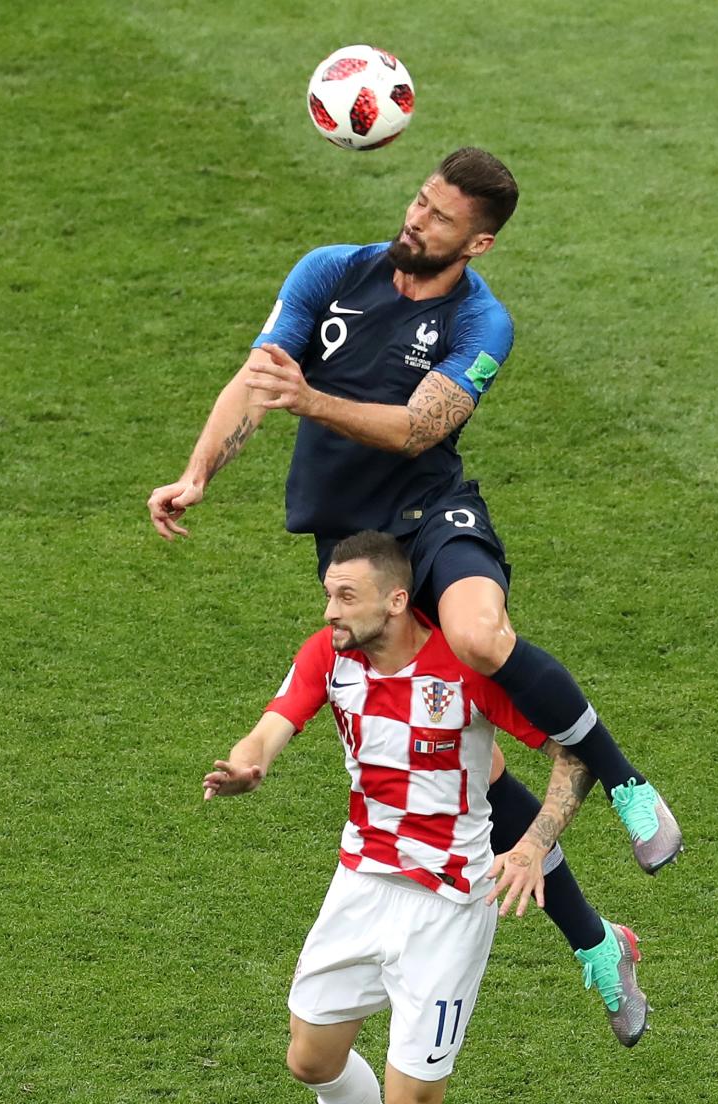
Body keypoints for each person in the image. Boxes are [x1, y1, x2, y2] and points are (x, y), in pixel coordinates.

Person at [149, 147, 682, 879]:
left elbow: (417, 429)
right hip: (353, 543)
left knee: (478, 636)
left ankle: (626, 782)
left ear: (478, 243)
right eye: (421, 201)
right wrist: (197, 472)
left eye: (441, 218)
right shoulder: (331, 270)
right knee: (472, 765)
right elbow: (256, 380)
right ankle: (596, 942)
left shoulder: (482, 323)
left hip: (431, 514)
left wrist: (309, 400)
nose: (418, 219)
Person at [203, 531, 647, 1104]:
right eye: (328, 595)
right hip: (362, 887)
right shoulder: (327, 656)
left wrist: (532, 842)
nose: (328, 610)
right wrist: (248, 762)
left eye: (345, 597)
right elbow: (276, 721)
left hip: (448, 907)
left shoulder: (465, 672)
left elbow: (569, 754)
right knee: (309, 1059)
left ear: (397, 602)